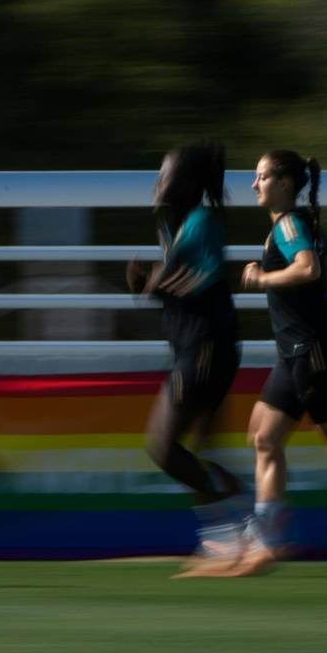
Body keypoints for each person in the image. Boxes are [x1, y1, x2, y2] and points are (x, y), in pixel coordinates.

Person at [234, 149, 327, 573]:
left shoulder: (290, 224)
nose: (253, 184)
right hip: (294, 352)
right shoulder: (299, 224)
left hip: (314, 349)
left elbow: (310, 268)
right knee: (264, 437)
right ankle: (267, 532)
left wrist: (263, 278)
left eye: (260, 177)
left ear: (283, 184)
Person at [127, 140, 245, 577]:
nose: (158, 181)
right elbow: (183, 287)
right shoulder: (180, 224)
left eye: (166, 173)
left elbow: (204, 275)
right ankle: (247, 530)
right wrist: (150, 285)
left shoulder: (201, 220)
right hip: (205, 346)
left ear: (188, 182)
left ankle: (229, 535)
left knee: (163, 447)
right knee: (205, 454)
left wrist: (155, 283)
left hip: (205, 349)